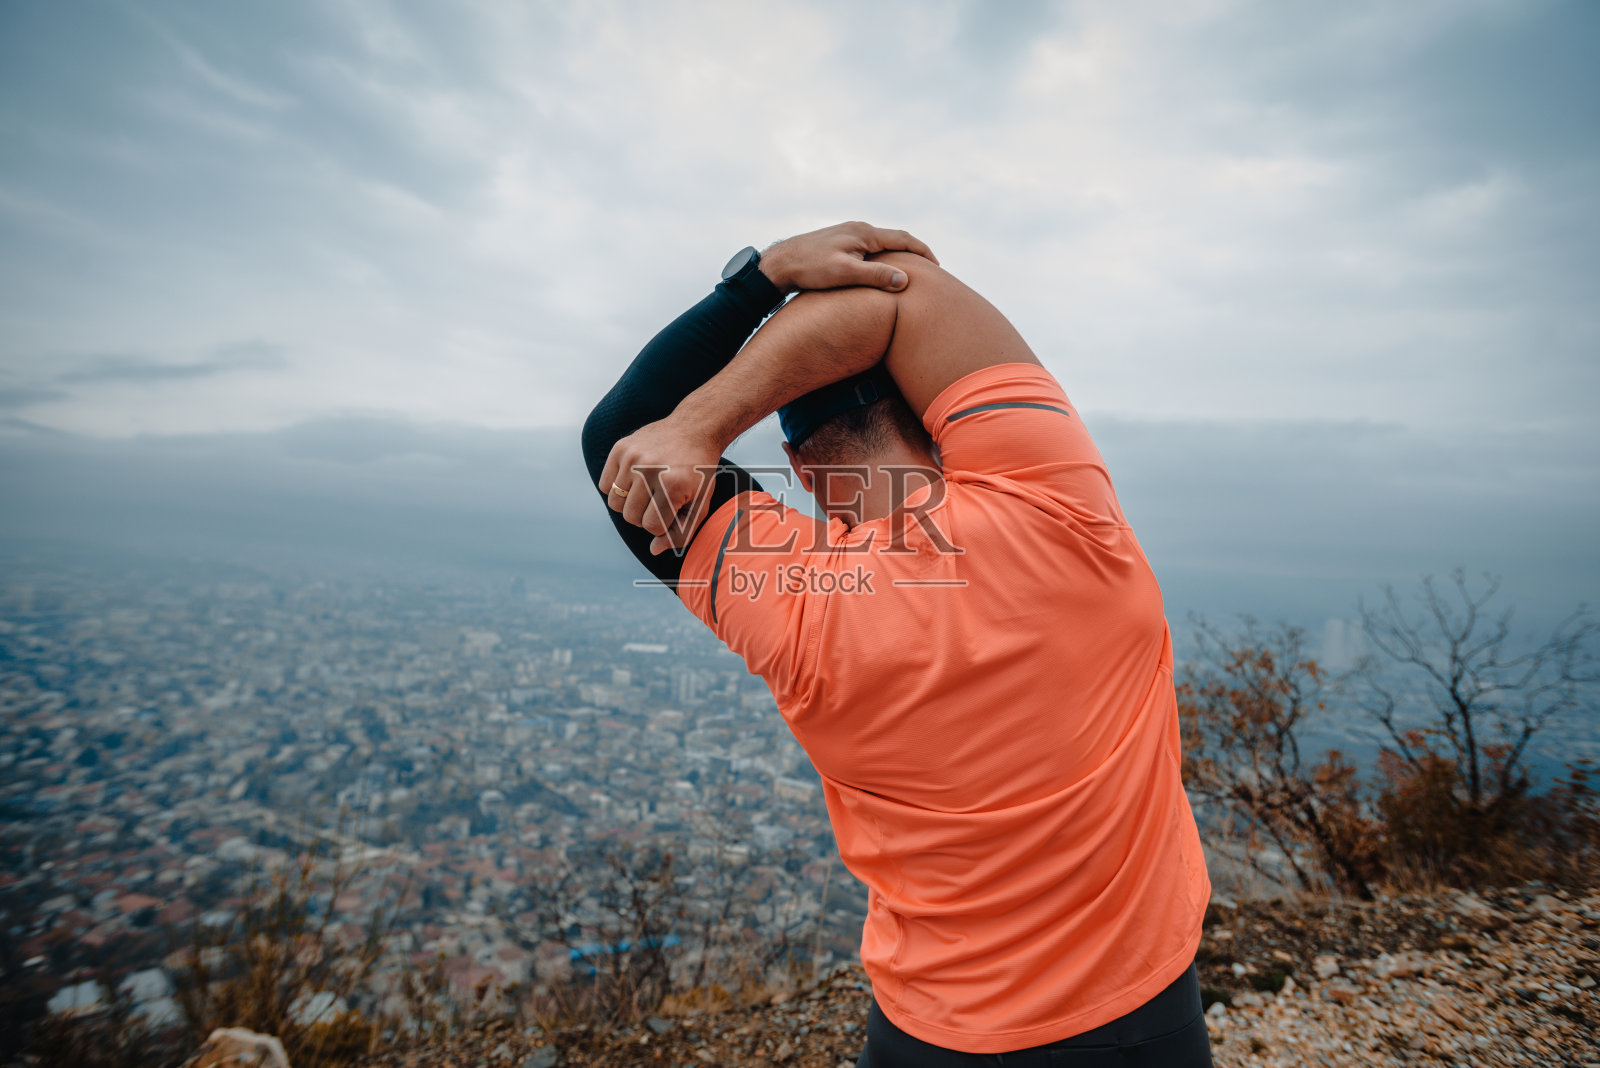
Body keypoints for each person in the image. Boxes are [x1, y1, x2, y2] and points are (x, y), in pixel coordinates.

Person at [581, 222, 1214, 1066]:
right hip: (1143, 1014)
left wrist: (752, 294)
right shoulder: (1063, 519)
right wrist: (780, 283)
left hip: (931, 1033)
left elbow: (619, 439)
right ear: (942, 416)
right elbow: (904, 290)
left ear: (802, 472)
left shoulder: (797, 611)